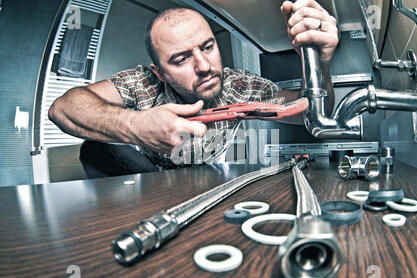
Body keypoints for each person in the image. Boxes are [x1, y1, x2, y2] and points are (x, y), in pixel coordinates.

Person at [48, 0, 338, 178]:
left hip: (205, 180)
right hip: (149, 182)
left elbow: (313, 114)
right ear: (159, 72)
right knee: (94, 149)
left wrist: (318, 64)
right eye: (181, 59)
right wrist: (135, 124)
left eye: (208, 47)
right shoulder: (143, 84)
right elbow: (63, 108)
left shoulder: (239, 86)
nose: (204, 66)